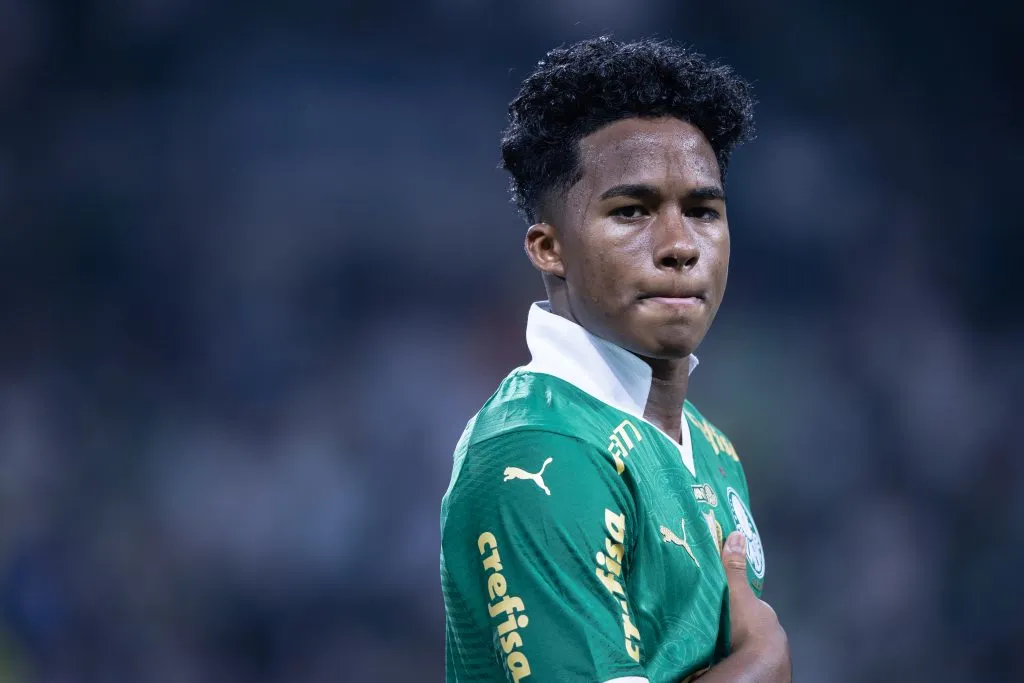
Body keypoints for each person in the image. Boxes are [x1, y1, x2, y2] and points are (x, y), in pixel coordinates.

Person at [440, 36, 791, 683]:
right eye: (632, 211)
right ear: (549, 248)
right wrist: (762, 663)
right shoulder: (539, 450)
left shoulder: (711, 448)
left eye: (703, 210)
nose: (680, 245)